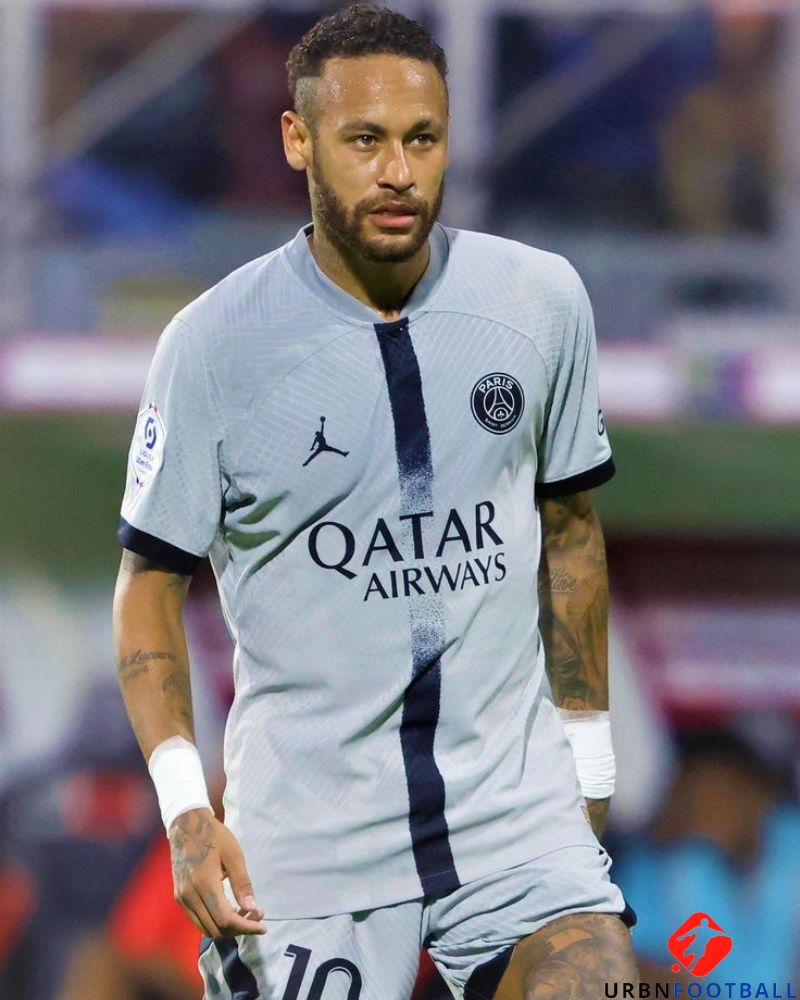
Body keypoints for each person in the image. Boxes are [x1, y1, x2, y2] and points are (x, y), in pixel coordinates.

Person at [113, 5, 640, 998]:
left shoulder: (538, 300)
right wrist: (186, 809)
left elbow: (570, 531)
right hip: (309, 842)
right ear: (297, 139)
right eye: (365, 141)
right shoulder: (213, 346)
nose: (399, 172)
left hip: (511, 819)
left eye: (422, 139)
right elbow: (148, 586)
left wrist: (589, 764)